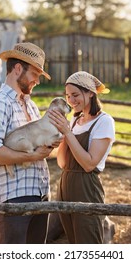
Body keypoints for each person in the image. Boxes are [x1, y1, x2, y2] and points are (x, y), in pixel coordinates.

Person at [0, 42, 61, 244]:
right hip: (14, 198)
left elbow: (36, 143)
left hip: (41, 192)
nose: (37, 81)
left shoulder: (31, 105)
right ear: (18, 69)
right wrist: (31, 156)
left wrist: (49, 145)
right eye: (35, 74)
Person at [49, 71, 115, 244]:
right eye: (68, 96)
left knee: (88, 242)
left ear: (90, 93)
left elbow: (88, 164)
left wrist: (67, 132)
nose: (71, 101)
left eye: (76, 95)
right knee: (73, 241)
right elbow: (62, 163)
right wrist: (63, 136)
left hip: (86, 188)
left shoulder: (104, 122)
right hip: (65, 185)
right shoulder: (74, 120)